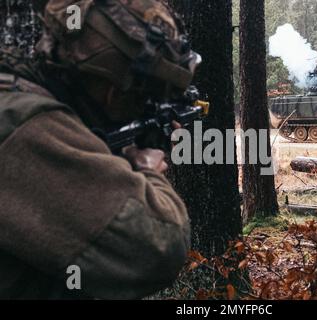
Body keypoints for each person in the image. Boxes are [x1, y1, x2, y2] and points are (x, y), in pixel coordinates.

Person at [0, 0, 197, 299]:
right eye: (140, 98)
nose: (141, 107)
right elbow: (158, 249)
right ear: (112, 92)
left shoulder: (17, 92)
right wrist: (148, 170)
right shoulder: (27, 125)